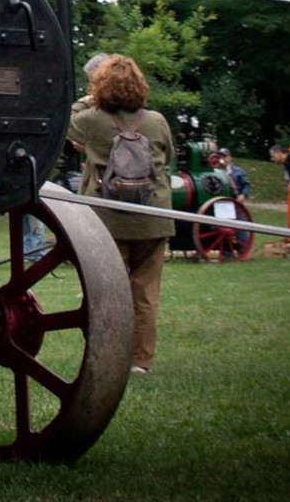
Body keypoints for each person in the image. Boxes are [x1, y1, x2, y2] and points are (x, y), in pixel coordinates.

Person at [68, 55, 175, 375]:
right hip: (153, 217)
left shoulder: (91, 119)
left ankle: (107, 359)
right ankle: (141, 361)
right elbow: (168, 155)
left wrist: (88, 99)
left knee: (104, 293)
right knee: (145, 293)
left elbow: (67, 125)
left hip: (106, 220)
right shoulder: (156, 120)